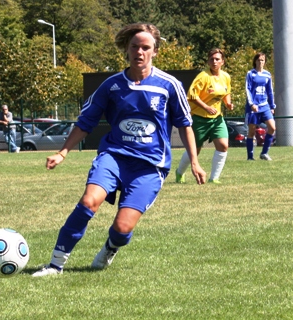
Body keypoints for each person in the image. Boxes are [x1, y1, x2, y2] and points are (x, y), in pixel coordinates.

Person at [32, 22, 206, 277]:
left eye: (146, 47)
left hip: (150, 166)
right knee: (89, 201)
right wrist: (62, 152)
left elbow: (185, 125)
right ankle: (55, 265)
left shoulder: (169, 85)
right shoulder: (111, 85)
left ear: (155, 51)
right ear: (126, 49)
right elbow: (85, 123)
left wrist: (194, 162)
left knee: (123, 228)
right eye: (134, 46)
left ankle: (110, 248)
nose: (139, 52)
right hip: (113, 156)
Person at [175, 48, 233, 184]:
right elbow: (192, 96)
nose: (214, 61)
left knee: (223, 145)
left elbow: (226, 92)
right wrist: (206, 107)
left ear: (222, 62)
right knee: (195, 150)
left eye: (217, 59)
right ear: (208, 61)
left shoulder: (225, 76)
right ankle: (179, 172)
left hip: (217, 118)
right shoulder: (203, 76)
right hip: (199, 118)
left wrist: (228, 103)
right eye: (212, 59)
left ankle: (214, 178)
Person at [245, 53, 276, 161]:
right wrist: (251, 104)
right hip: (253, 107)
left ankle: (264, 153)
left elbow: (270, 91)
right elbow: (248, 89)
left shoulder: (267, 74)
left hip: (265, 106)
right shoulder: (250, 74)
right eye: (258, 60)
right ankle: (250, 157)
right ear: (255, 61)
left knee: (272, 128)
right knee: (252, 132)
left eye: (262, 60)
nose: (260, 62)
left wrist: (272, 106)